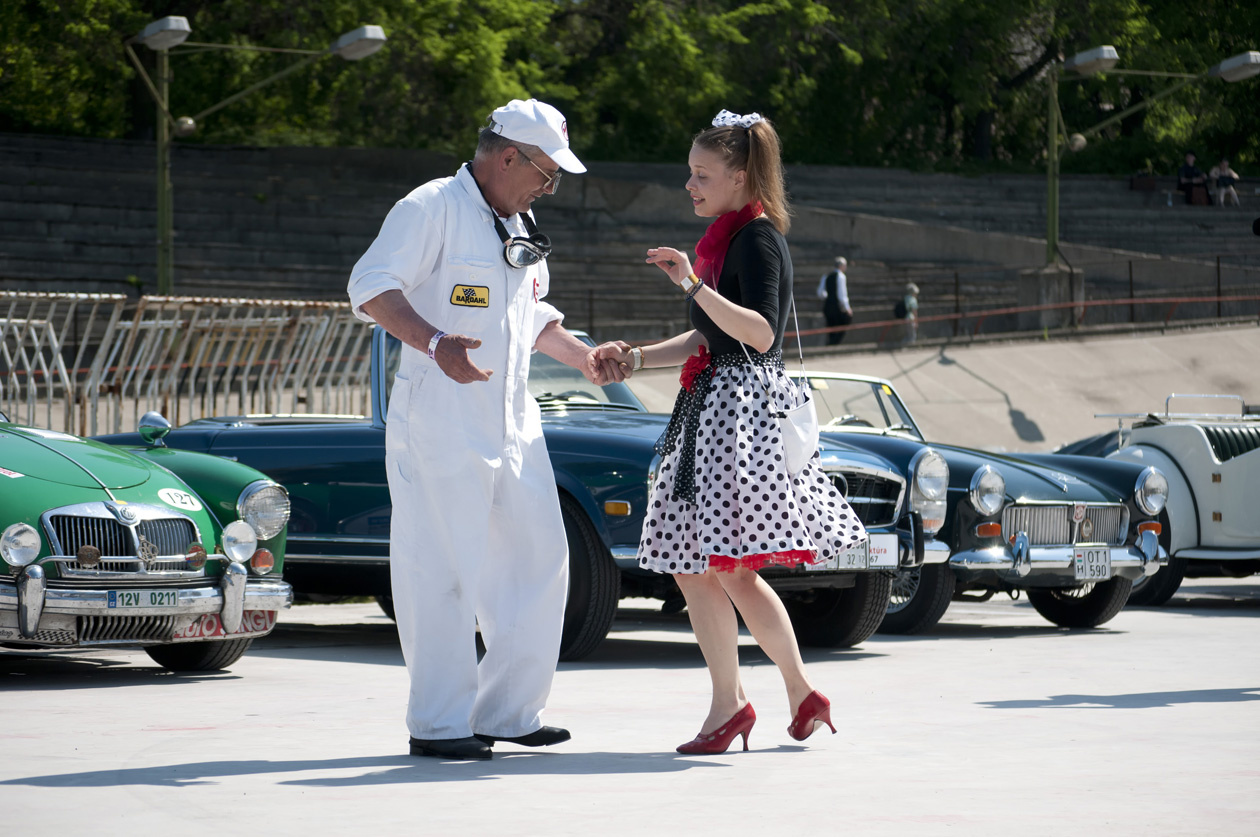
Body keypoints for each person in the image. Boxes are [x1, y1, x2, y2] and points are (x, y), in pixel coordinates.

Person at [347, 99, 626, 762]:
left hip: (513, 420)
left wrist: (582, 355)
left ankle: (509, 710)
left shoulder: (519, 223)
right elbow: (370, 286)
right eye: (545, 172)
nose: (549, 187)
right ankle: (440, 722)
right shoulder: (431, 207)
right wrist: (434, 340)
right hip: (441, 420)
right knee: (440, 567)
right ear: (507, 156)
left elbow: (534, 317)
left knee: (540, 560)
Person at [598, 110, 868, 754]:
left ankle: (750, 700)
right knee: (702, 568)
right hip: (710, 410)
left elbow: (761, 333)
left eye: (701, 175)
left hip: (734, 419)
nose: (689, 186)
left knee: (725, 568)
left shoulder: (756, 239)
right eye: (689, 174)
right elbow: (710, 336)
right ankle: (766, 697)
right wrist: (634, 357)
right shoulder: (728, 239)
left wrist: (692, 281)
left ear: (739, 176)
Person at [815, 256, 852, 345]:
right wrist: (847, 308)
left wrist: (828, 297)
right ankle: (833, 344)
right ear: (841, 266)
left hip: (827, 306)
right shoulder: (841, 276)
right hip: (836, 307)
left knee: (831, 327)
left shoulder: (826, 276)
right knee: (842, 323)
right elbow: (842, 295)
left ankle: (831, 344)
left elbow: (820, 292)